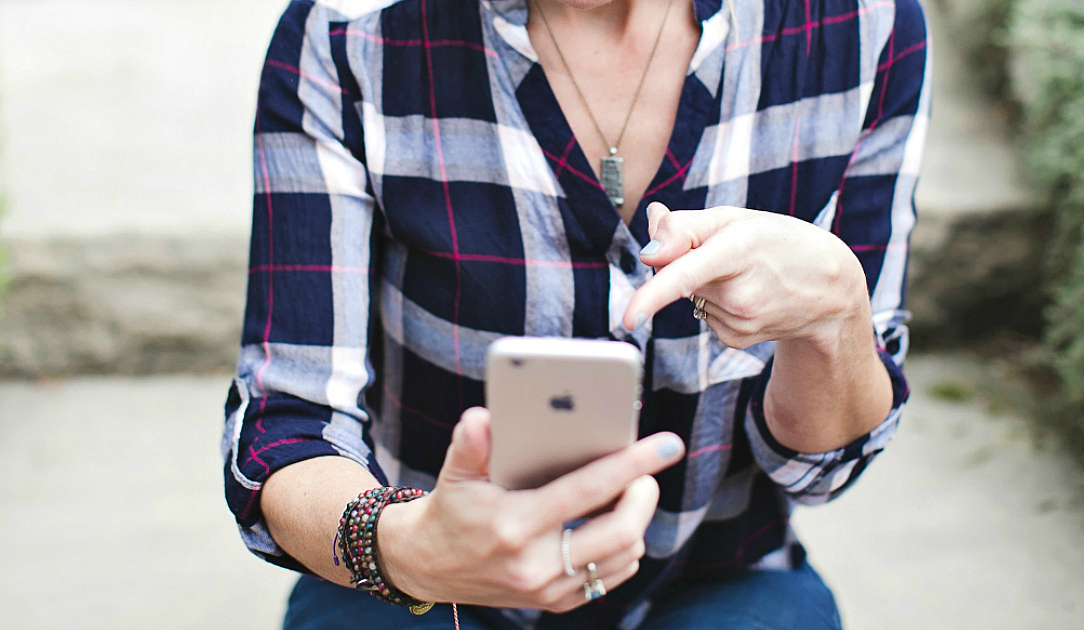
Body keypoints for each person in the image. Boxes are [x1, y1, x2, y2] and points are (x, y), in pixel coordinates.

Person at [222, 0, 928, 627]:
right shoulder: (349, 34)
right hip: (416, 588)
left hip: (714, 577)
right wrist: (404, 548)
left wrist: (835, 313)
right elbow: (290, 424)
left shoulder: (863, 25)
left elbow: (825, 466)